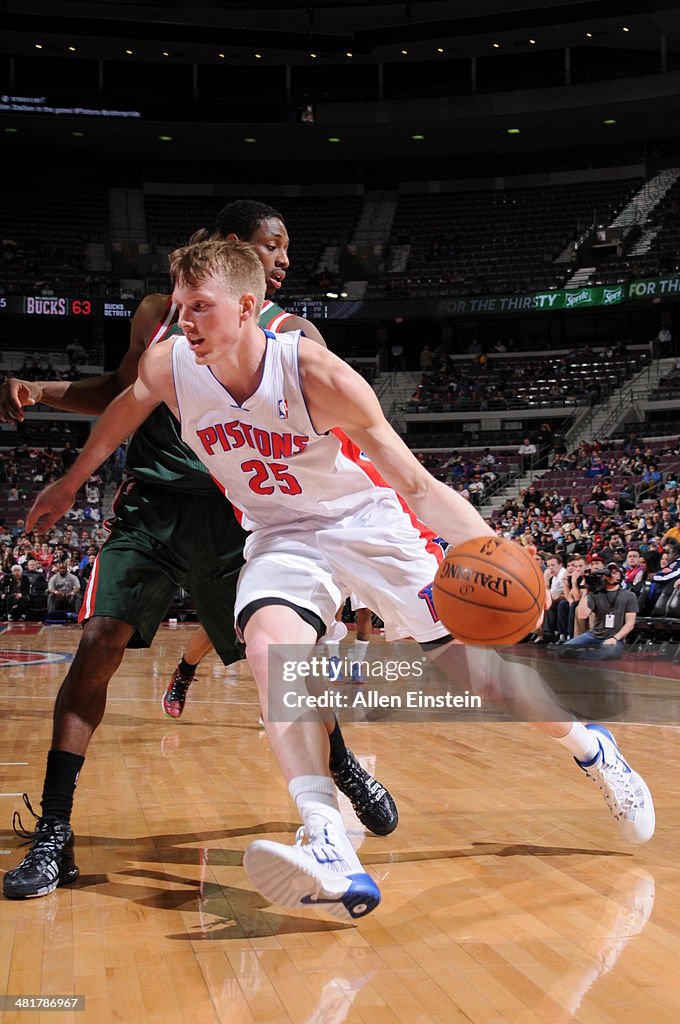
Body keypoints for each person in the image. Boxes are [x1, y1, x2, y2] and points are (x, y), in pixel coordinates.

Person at [23, 238, 655, 920]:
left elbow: (414, 482)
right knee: (272, 650)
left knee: (481, 676)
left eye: (200, 307)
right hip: (282, 535)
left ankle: (593, 749)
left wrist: (487, 545)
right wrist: (70, 480)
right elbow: (125, 406)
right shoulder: (171, 364)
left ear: (247, 306)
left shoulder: (315, 374)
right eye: (179, 307)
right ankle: (326, 836)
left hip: (368, 524)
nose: (185, 322)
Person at [0, 204, 396, 904]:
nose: (285, 261)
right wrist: (43, 392)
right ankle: (56, 832)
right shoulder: (162, 313)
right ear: (231, 249)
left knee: (281, 664)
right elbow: (124, 395)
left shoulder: (293, 336)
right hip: (151, 505)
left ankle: (341, 763)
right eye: (273, 246)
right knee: (98, 642)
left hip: (235, 516)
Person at [555, 564, 637, 660]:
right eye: (608, 573)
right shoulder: (596, 594)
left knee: (609, 654)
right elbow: (582, 615)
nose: (610, 575)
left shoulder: (629, 596)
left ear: (621, 576)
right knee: (562, 650)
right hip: (593, 634)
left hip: (614, 637)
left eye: (614, 573)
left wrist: (615, 638)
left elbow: (630, 623)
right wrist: (586, 590)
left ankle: (582, 654)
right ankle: (588, 654)